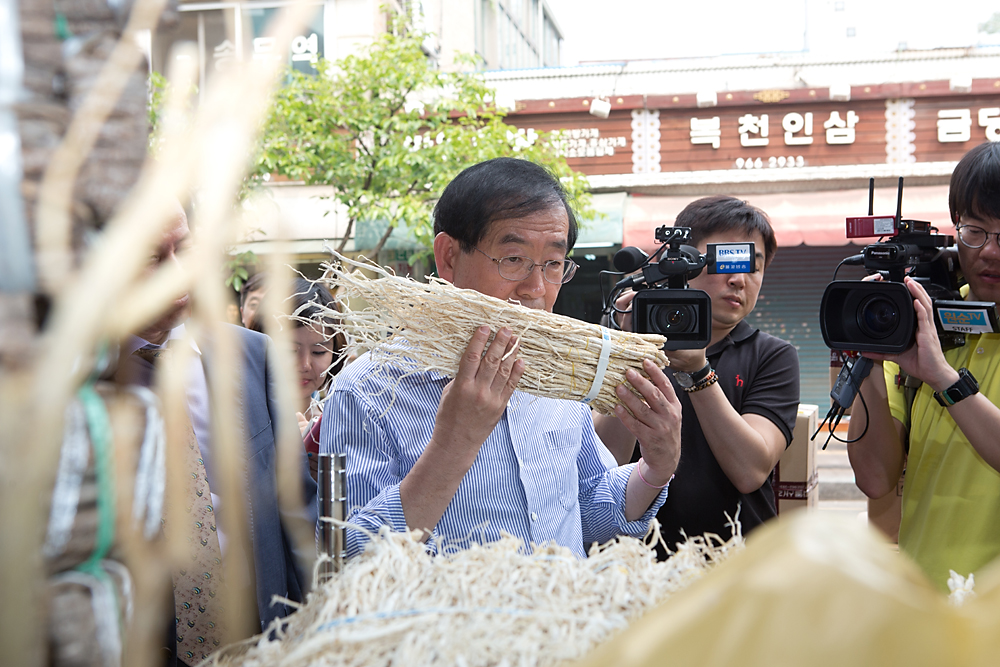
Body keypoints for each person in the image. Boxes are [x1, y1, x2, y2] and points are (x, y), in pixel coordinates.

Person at [319, 157, 682, 559]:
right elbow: (342, 552)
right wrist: (454, 444)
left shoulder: (560, 379)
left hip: (566, 620)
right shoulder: (364, 389)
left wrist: (654, 469)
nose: (536, 289)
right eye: (513, 260)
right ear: (449, 258)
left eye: (554, 264)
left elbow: (586, 506)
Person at [114, 201, 316, 664]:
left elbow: (296, 514)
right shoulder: (69, 379)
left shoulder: (251, 356)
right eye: (150, 257)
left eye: (184, 248)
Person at [595, 195, 800, 558]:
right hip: (635, 571)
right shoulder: (627, 342)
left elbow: (751, 470)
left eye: (754, 266)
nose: (739, 279)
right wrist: (630, 355)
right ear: (682, 261)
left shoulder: (772, 355)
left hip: (736, 571)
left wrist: (697, 371)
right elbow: (603, 460)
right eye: (723, 260)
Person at [847, 142, 1000, 591]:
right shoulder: (925, 327)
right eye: (975, 230)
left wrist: (945, 380)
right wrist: (872, 355)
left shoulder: (933, 361)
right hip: (928, 606)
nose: (990, 251)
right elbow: (875, 480)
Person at [285, 278, 346, 478]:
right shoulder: (238, 419)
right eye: (290, 351)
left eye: (318, 352)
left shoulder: (341, 424)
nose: (304, 365)